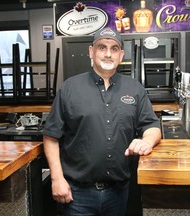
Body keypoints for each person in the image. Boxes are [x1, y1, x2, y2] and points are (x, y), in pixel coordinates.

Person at [43, 27, 161, 216]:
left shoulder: (135, 88)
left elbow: (152, 125)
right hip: (77, 195)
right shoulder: (69, 89)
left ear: (121, 55)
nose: (108, 54)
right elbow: (51, 136)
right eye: (102, 47)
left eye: (114, 49)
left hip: (119, 193)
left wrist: (146, 141)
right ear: (91, 51)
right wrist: (56, 178)